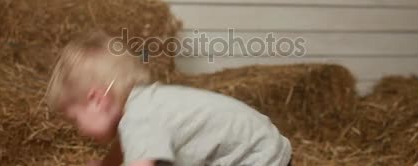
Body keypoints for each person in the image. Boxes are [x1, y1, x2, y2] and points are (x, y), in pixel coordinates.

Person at [44, 30, 292, 166]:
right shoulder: (142, 106)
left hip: (255, 157)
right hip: (258, 144)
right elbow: (125, 150)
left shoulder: (139, 119)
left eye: (75, 119)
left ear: (97, 99)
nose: (79, 130)